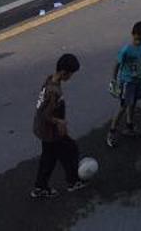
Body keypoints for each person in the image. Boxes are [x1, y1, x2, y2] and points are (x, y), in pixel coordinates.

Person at [30, 52, 91, 200]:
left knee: (51, 157)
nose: (71, 77)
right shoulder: (54, 91)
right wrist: (59, 122)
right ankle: (72, 182)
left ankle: (41, 187)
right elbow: (46, 115)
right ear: (64, 73)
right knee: (69, 151)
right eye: (71, 74)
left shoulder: (50, 79)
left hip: (45, 130)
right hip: (51, 132)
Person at [107, 20, 141, 148]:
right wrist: (114, 81)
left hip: (137, 80)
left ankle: (129, 125)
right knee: (124, 106)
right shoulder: (126, 50)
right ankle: (112, 131)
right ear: (133, 34)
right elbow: (117, 65)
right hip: (127, 82)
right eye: (136, 39)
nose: (138, 42)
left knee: (133, 103)